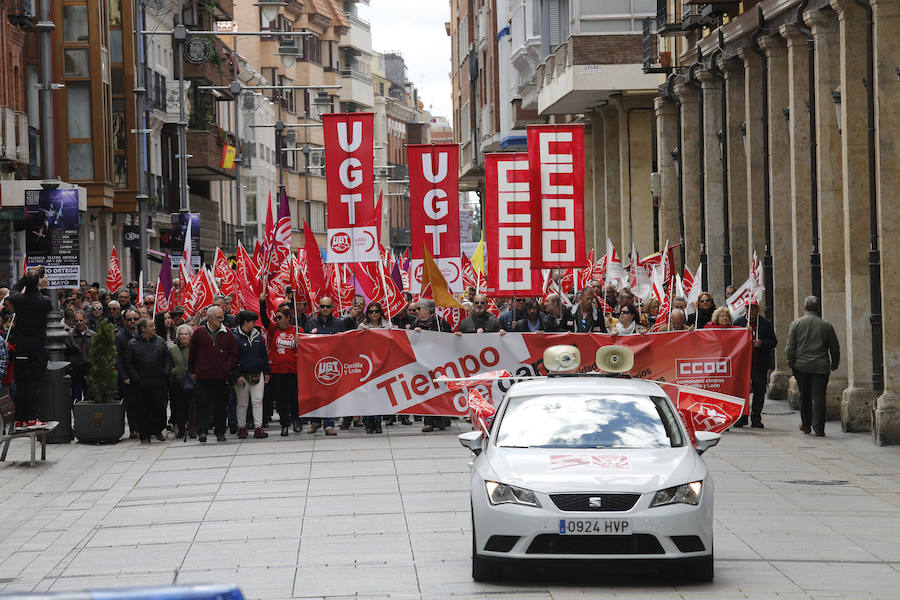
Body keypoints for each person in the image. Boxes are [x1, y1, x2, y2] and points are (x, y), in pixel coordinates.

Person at [786, 296, 840, 437]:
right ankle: (819, 428)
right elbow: (834, 347)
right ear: (818, 309)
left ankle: (806, 425)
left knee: (805, 396)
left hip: (801, 366)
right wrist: (835, 363)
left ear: (804, 308)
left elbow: (790, 348)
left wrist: (791, 363)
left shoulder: (796, 324)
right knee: (819, 396)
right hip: (820, 367)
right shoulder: (826, 325)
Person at [6, 268, 52, 430]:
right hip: (37, 347)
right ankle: (32, 419)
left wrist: (24, 279)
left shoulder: (18, 300)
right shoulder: (44, 301)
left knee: (21, 383)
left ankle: (20, 420)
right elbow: (49, 305)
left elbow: (12, 291)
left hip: (21, 346)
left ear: (26, 283)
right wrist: (43, 285)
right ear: (38, 283)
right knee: (33, 383)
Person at [188, 306, 238, 442]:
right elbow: (192, 353)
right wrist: (193, 371)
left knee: (220, 405)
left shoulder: (227, 333)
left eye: (222, 317)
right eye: (218, 317)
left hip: (221, 377)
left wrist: (226, 367)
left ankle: (220, 431)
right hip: (203, 376)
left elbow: (233, 354)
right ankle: (202, 431)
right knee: (203, 404)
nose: (221, 320)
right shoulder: (199, 332)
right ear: (209, 318)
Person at [123, 318, 172, 443]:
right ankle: (144, 435)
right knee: (142, 410)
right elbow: (128, 364)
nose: (154, 328)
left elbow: (168, 358)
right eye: (151, 326)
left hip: (158, 381)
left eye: (154, 325)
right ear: (143, 329)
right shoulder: (132, 344)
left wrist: (166, 372)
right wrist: (136, 378)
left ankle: (158, 430)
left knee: (160, 409)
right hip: (141, 384)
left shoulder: (161, 341)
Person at [305, 296, 349, 435]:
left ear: (333, 308)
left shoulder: (339, 323)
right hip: (314, 364)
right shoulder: (311, 323)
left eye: (327, 307)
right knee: (314, 395)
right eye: (322, 306)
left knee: (330, 395)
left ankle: (329, 425)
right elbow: (305, 342)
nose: (325, 309)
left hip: (332, 364)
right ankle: (315, 422)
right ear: (318, 307)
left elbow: (344, 342)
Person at [734, 300, 777, 428]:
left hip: (759, 363)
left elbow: (773, 341)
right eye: (748, 308)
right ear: (745, 310)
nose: (751, 311)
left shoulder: (765, 323)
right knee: (743, 392)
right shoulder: (738, 323)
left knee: (759, 391)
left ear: (757, 310)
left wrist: (762, 343)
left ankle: (756, 417)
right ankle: (742, 417)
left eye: (754, 308)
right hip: (742, 364)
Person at [261, 300, 299, 437]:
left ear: (288, 318)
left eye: (280, 318)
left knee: (294, 398)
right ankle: (284, 424)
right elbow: (264, 319)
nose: (277, 320)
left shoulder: (297, 331)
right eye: (276, 318)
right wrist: (262, 301)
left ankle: (296, 419)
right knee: (281, 400)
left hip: (294, 371)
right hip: (277, 372)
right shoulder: (274, 329)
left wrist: (300, 342)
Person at [414, 299, 453, 432]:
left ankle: (440, 419)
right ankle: (428, 421)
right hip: (423, 363)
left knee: (440, 390)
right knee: (426, 391)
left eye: (419, 309)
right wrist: (415, 334)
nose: (417, 311)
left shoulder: (441, 323)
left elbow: (450, 339)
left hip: (439, 363)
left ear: (428, 310)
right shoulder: (415, 324)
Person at [232, 309, 270, 439]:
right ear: (244, 322)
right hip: (241, 375)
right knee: (242, 402)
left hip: (257, 373)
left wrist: (267, 371)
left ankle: (258, 427)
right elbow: (233, 358)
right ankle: (241, 427)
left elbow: (263, 355)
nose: (254, 324)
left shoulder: (258, 335)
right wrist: (236, 375)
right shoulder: (234, 336)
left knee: (258, 401)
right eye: (251, 322)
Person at [358, 301, 391, 433]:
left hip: (383, 363)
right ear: (368, 314)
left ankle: (377, 422)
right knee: (368, 394)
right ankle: (368, 420)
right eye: (371, 311)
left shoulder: (388, 325)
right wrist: (362, 331)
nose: (374, 314)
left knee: (379, 394)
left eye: (376, 311)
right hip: (368, 364)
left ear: (380, 312)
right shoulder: (362, 325)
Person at [116, 309, 141, 438]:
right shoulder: (120, 337)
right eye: (130, 319)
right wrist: (124, 376)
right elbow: (118, 359)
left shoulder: (142, 334)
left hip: (142, 374)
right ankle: (133, 429)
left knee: (143, 403)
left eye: (135, 319)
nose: (133, 322)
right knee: (131, 404)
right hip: (128, 376)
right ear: (125, 321)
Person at [169, 324, 196, 439]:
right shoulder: (172, 349)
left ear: (190, 336)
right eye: (181, 334)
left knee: (193, 407)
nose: (184, 336)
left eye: (186, 334)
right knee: (180, 407)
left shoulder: (195, 348)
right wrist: (174, 372)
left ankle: (193, 430)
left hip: (193, 381)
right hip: (178, 382)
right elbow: (169, 364)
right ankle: (180, 430)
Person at [64, 310, 94, 404]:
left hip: (89, 370)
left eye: (81, 320)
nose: (79, 323)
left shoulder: (93, 335)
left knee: (89, 397)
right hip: (75, 371)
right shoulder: (69, 336)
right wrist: (69, 368)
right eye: (76, 321)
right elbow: (65, 354)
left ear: (85, 320)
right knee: (75, 397)